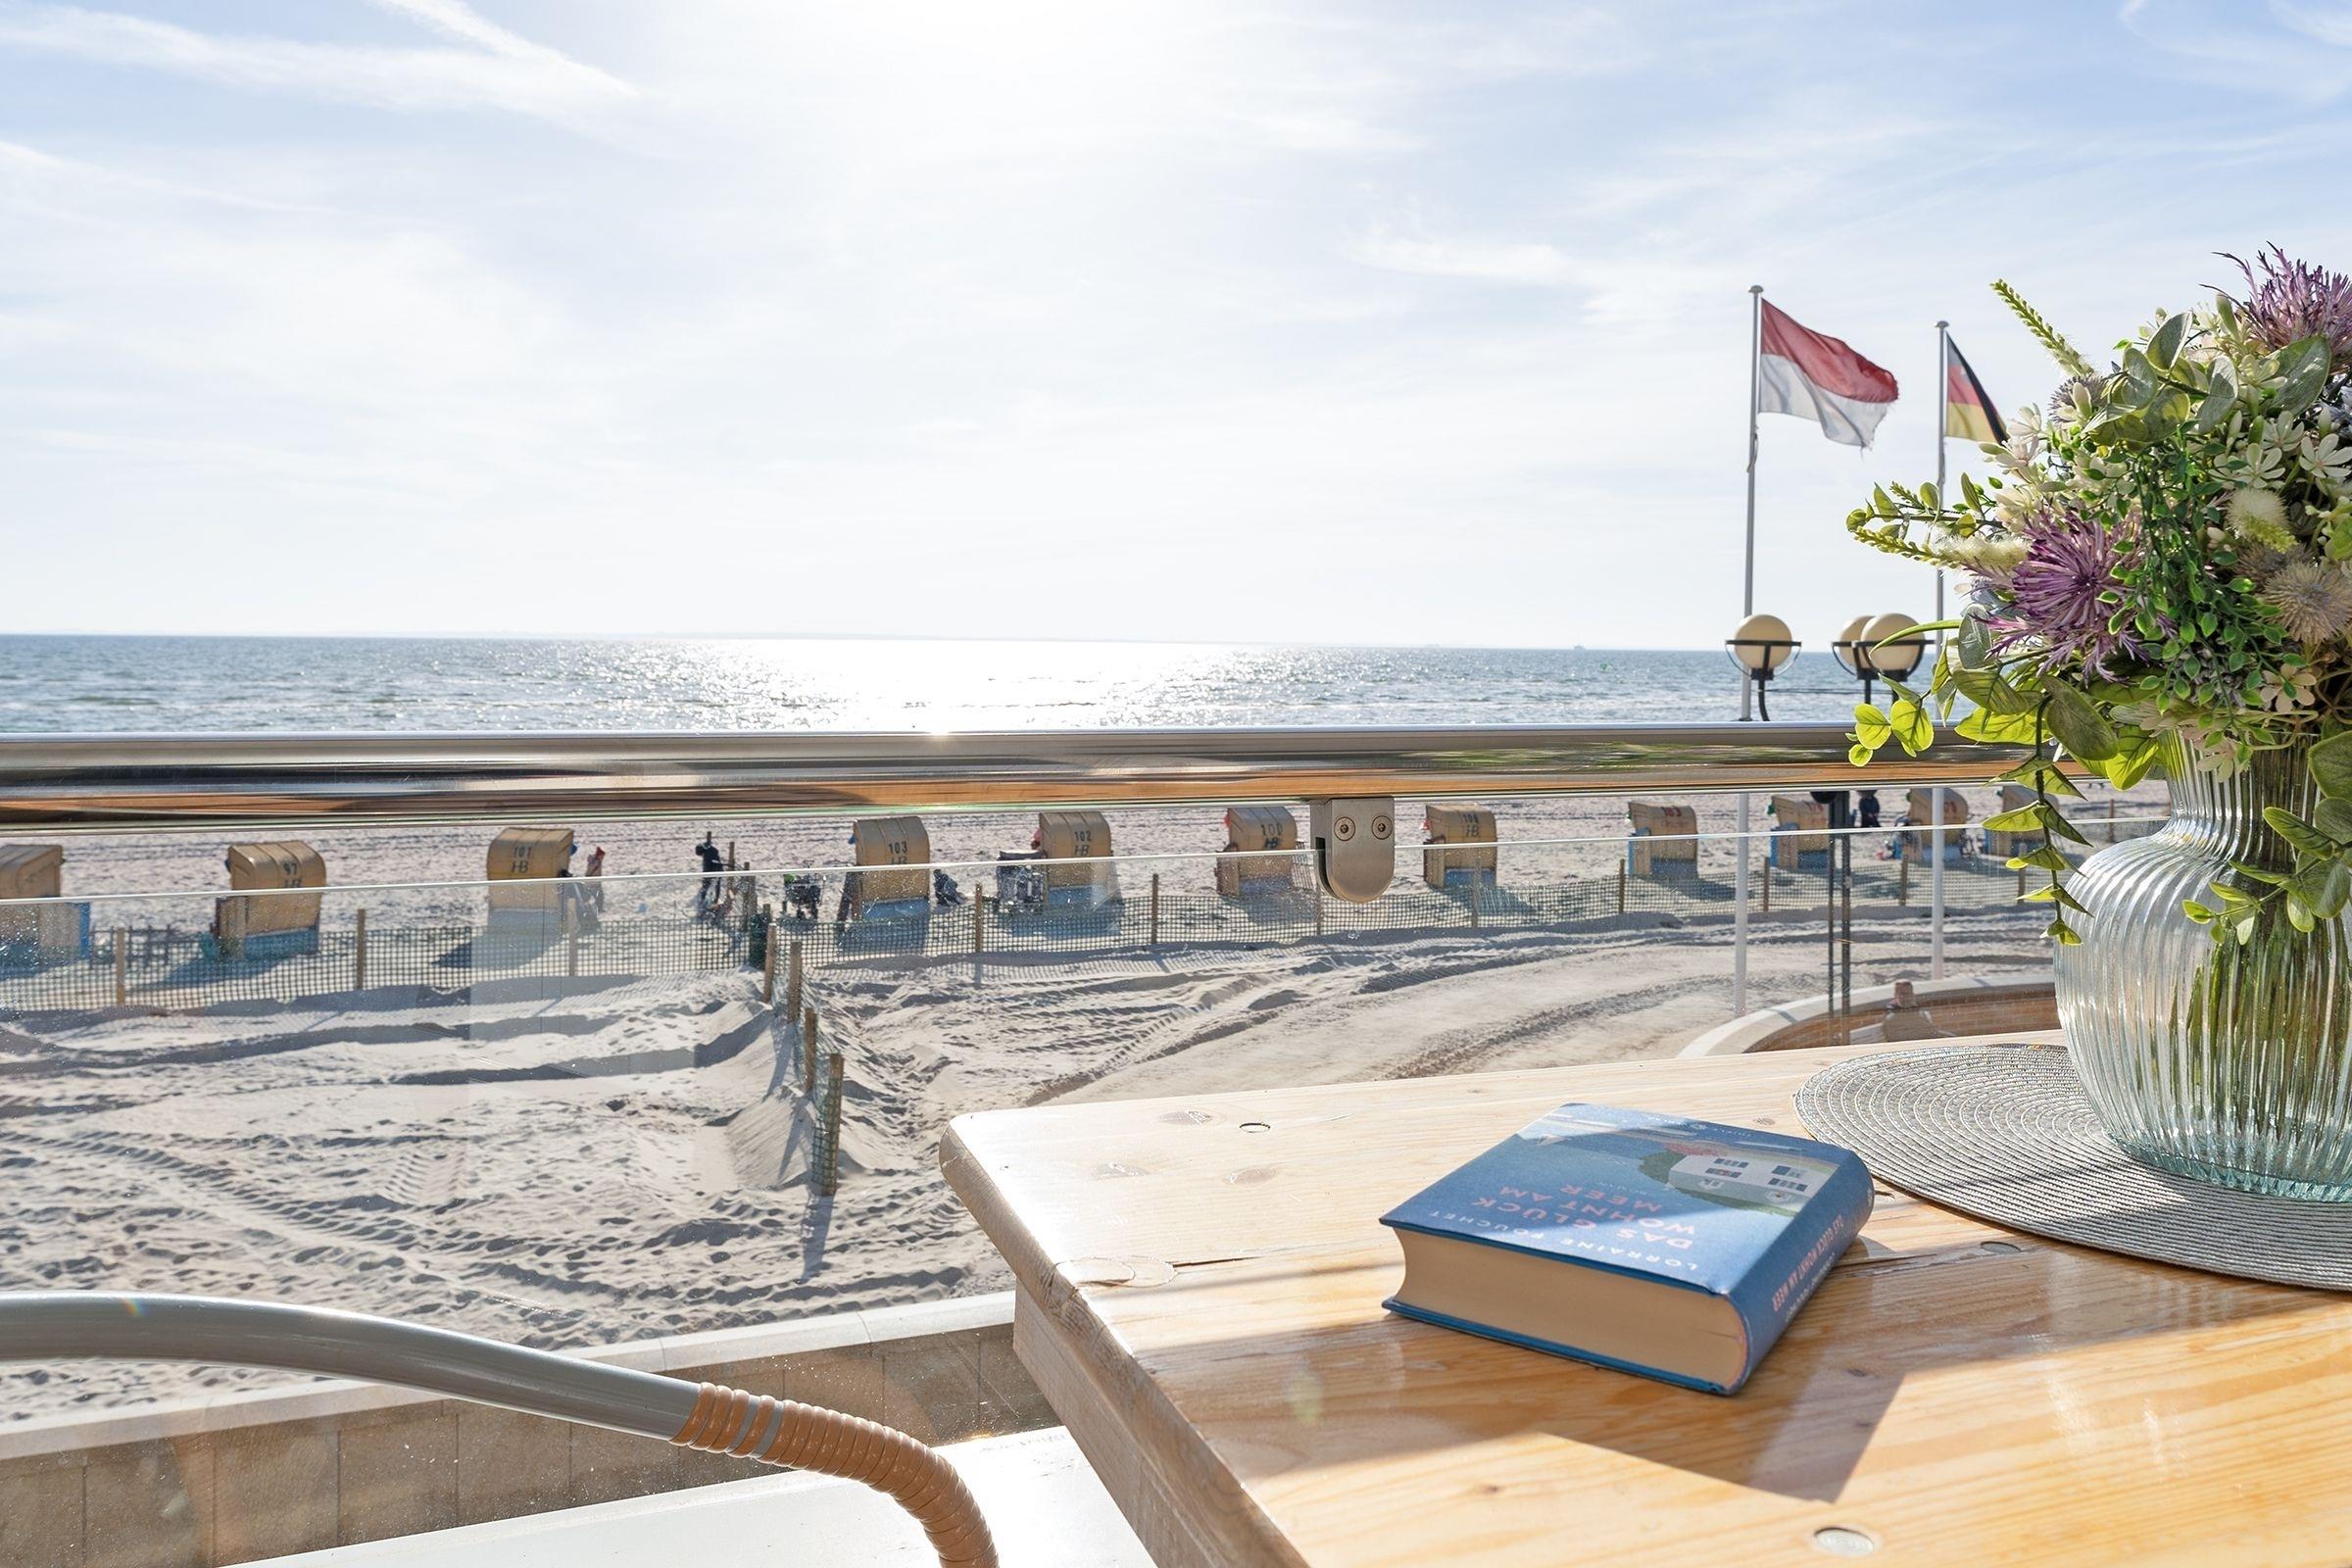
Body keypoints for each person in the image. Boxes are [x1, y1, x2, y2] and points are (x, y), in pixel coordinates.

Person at [694, 834, 724, 913]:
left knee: (707, 886)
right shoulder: (710, 849)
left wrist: (705, 876)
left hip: (713, 872)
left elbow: (708, 867)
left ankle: (708, 901)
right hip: (718, 871)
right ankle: (713, 900)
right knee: (716, 886)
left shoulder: (708, 856)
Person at [584, 845, 608, 913]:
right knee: (597, 896)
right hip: (593, 883)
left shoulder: (596, 861)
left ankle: (598, 909)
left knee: (598, 896)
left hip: (594, 882)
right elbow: (588, 873)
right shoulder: (596, 863)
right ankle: (597, 909)